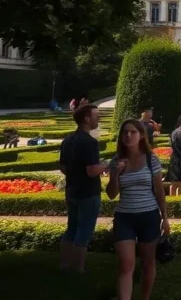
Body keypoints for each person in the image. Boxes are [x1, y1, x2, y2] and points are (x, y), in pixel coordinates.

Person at [106, 119, 170, 300]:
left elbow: (159, 191)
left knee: (148, 262)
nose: (127, 135)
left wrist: (165, 217)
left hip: (148, 216)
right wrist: (116, 174)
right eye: (125, 132)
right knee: (126, 264)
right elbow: (111, 194)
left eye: (132, 132)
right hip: (124, 216)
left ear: (141, 135)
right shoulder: (116, 161)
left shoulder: (151, 159)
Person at [58, 104, 107, 272]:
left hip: (71, 190)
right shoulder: (90, 142)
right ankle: (78, 269)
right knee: (84, 231)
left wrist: (75, 173)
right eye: (95, 115)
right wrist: (106, 166)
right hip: (88, 192)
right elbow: (92, 171)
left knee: (71, 228)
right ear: (86, 119)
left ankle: (64, 265)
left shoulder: (68, 139)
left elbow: (63, 168)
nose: (98, 118)